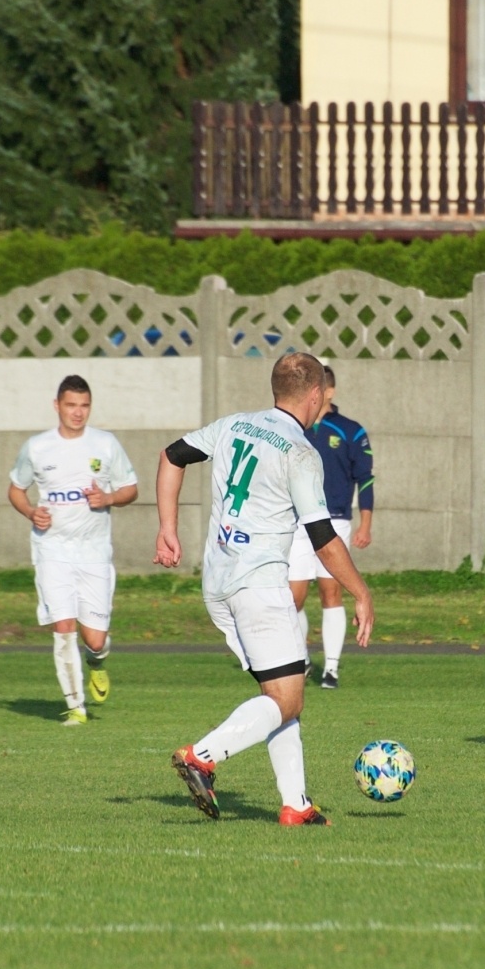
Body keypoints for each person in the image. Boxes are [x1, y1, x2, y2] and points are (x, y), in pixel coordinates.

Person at [155, 352, 374, 826]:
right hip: (258, 584)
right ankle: (202, 756)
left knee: (281, 692)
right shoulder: (299, 451)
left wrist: (167, 528)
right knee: (287, 699)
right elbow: (323, 539)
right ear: (315, 395)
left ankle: (296, 805)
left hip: (218, 581)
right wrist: (361, 592)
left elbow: (172, 456)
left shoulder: (235, 424)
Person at [8, 375, 138, 725]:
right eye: (71, 405)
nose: (78, 413)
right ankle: (75, 706)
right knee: (63, 626)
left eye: (84, 406)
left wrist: (108, 497)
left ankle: (97, 661)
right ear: (57, 406)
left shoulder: (106, 444)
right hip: (52, 551)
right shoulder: (37, 447)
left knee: (94, 639)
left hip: (94, 553)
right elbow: (16, 489)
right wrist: (30, 511)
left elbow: (131, 488)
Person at [286, 365, 374, 689]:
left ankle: (331, 669)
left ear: (329, 391)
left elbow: (365, 479)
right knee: (293, 597)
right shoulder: (293, 429)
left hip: (335, 519)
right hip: (296, 523)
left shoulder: (351, 430)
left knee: (330, 591)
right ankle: (303, 659)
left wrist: (365, 522)